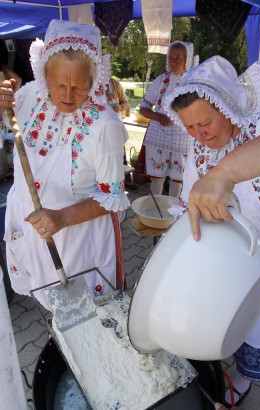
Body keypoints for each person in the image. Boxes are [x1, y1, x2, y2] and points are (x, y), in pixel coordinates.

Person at [165, 55, 260, 408]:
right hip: (232, 258)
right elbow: (189, 200)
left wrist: (224, 173)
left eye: (206, 123)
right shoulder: (199, 146)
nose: (200, 134)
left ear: (228, 104)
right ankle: (241, 375)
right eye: (191, 127)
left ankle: (250, 375)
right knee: (239, 318)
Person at [0, 19, 130, 309]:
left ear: (95, 80)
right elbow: (5, 132)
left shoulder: (104, 125)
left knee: (84, 314)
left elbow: (111, 200)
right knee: (49, 304)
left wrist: (60, 218)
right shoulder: (28, 97)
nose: (68, 96)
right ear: (44, 73)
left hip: (77, 238)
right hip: (32, 229)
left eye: (79, 86)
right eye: (59, 84)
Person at [138, 41, 199, 198]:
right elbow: (143, 108)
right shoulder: (161, 80)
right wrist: (158, 116)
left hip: (183, 137)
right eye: (171, 57)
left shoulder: (194, 82)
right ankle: (154, 210)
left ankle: (172, 214)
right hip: (159, 135)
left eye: (178, 57)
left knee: (178, 180)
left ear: (188, 59)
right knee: (157, 179)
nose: (173, 61)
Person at [187, 130, 260, 240]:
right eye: (189, 126)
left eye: (205, 123)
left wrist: (225, 171)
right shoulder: (198, 148)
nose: (199, 134)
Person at [103, 54, 137, 190]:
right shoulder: (92, 84)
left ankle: (125, 180)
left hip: (116, 126)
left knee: (120, 154)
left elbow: (126, 102)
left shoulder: (115, 84)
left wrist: (120, 107)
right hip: (101, 129)